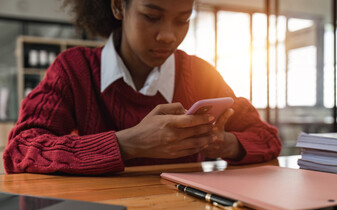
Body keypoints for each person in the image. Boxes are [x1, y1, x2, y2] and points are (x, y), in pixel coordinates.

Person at [3, 0, 281, 175]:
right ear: (118, 7)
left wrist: (224, 144)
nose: (168, 36)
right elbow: (20, 149)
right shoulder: (74, 70)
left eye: (183, 20)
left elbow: (268, 139)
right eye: (151, 16)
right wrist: (128, 144)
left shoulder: (200, 73)